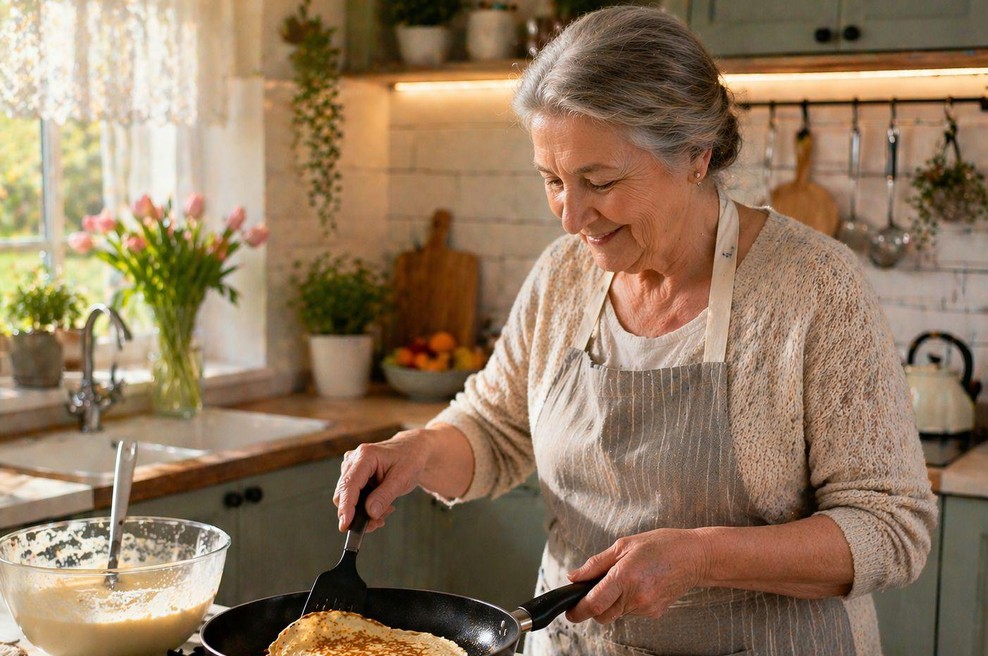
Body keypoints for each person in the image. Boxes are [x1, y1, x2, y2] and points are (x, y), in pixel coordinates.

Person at [334, 6, 937, 655]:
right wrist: (419, 451)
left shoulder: (816, 288)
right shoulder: (564, 274)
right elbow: (495, 427)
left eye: (600, 182)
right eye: (552, 181)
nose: (571, 217)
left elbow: (892, 529)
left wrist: (701, 558)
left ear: (695, 156)